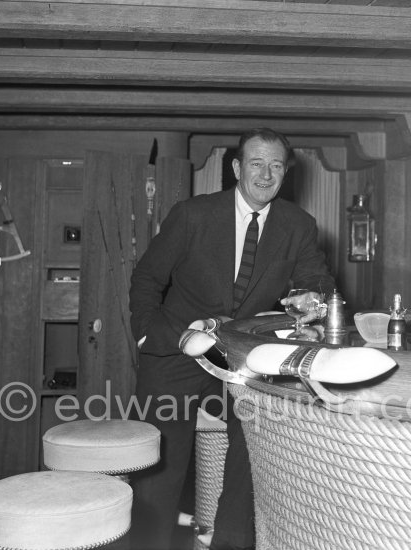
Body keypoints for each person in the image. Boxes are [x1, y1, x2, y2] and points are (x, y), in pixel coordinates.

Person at [128, 127, 335, 550]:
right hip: (177, 351)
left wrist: (311, 299)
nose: (266, 174)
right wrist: (153, 334)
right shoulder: (193, 215)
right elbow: (147, 279)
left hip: (243, 360)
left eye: (276, 166)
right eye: (256, 163)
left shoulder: (299, 225)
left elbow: (316, 283)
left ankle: (230, 543)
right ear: (238, 168)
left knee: (257, 444)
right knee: (160, 472)